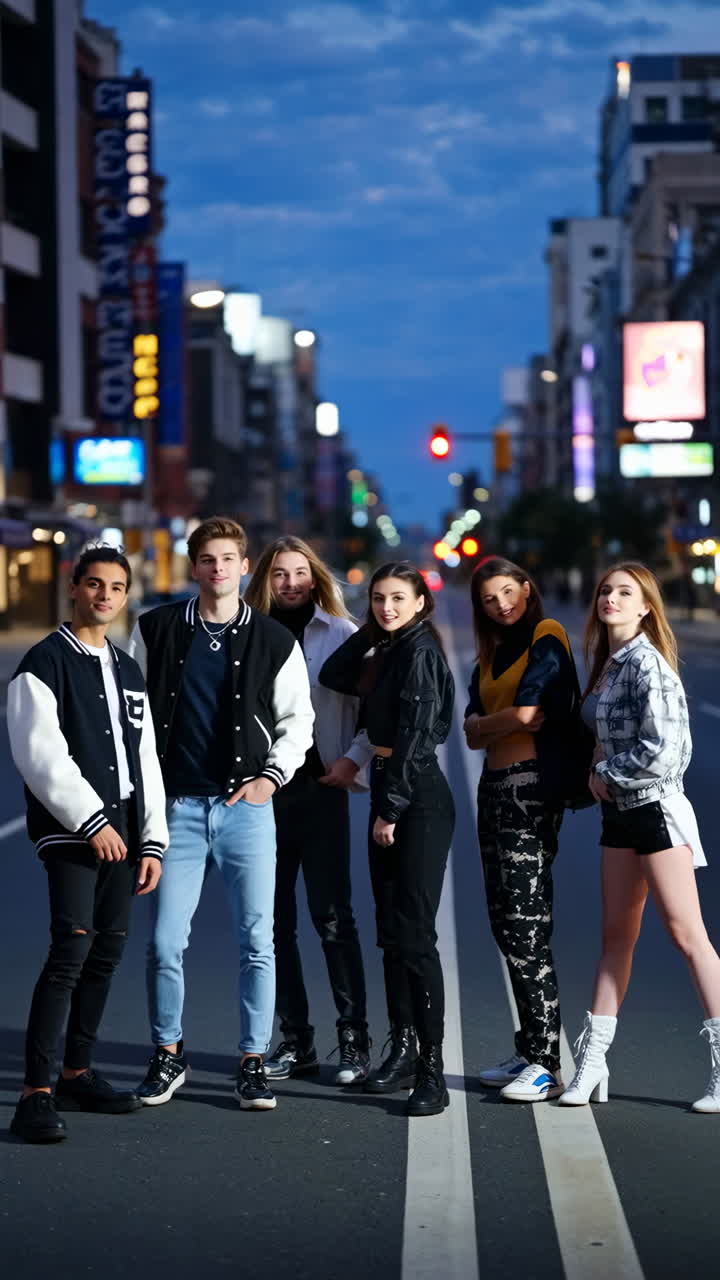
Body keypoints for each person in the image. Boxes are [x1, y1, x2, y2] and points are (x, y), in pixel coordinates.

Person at [129, 517, 314, 1112]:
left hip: (245, 811)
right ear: (194, 567)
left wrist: (270, 779)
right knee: (164, 943)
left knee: (258, 941)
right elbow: (132, 717)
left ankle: (253, 1061)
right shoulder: (155, 628)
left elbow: (298, 722)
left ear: (243, 565)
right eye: (207, 559)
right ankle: (168, 1054)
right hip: (176, 809)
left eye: (228, 558)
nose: (218, 569)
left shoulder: (272, 639)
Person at [7, 546, 167, 1144]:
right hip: (74, 829)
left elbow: (145, 757)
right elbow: (38, 755)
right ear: (74, 587)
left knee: (107, 952)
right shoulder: (43, 662)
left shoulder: (127, 668)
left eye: (117, 587)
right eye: (95, 584)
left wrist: (152, 839)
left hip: (126, 830)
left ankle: (77, 1072)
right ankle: (35, 1093)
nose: (105, 596)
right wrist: (91, 821)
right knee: (70, 951)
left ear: (126, 596)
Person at [559, 562, 720, 1112]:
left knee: (688, 936)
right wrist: (595, 766)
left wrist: (606, 772)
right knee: (615, 940)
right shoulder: (611, 664)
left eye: (625, 592)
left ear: (647, 606)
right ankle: (592, 1066)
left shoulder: (649, 665)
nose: (611, 598)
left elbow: (668, 752)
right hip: (620, 816)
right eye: (606, 590)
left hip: (656, 814)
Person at [319, 562, 455, 1117]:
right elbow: (334, 674)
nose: (387, 607)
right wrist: (371, 632)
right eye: (378, 598)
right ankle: (402, 1051)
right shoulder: (390, 648)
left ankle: (432, 1072)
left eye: (399, 598)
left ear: (421, 602)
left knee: (416, 938)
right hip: (389, 789)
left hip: (416, 798)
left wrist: (391, 808)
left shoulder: (420, 652)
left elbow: (417, 737)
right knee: (392, 935)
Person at [244, 537, 374, 1084]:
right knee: (272, 925)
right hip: (262, 796)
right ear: (265, 580)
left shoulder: (341, 634)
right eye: (279, 573)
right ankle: (296, 1041)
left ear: (315, 577)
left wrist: (351, 760)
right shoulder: (247, 633)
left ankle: (354, 1040)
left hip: (321, 789)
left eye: (299, 572)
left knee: (333, 918)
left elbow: (372, 712)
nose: (291, 583)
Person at [464, 556, 579, 1103]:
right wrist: (494, 725)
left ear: (527, 589)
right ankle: (530, 1046)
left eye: (508, 592)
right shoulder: (490, 654)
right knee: (503, 924)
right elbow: (469, 730)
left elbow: (530, 714)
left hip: (530, 789)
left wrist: (488, 725)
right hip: (493, 788)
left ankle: (547, 1063)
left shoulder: (546, 635)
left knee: (526, 924)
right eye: (489, 599)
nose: (501, 604)